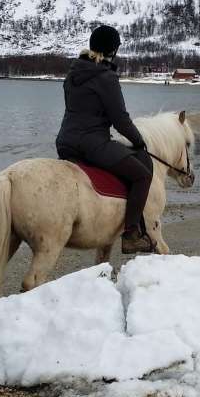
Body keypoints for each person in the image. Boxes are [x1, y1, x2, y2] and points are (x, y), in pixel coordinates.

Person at [56, 25, 156, 254]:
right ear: (113, 50)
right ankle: (131, 234)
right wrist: (139, 141)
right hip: (92, 144)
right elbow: (120, 120)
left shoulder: (73, 73)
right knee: (142, 175)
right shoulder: (106, 77)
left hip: (65, 142)